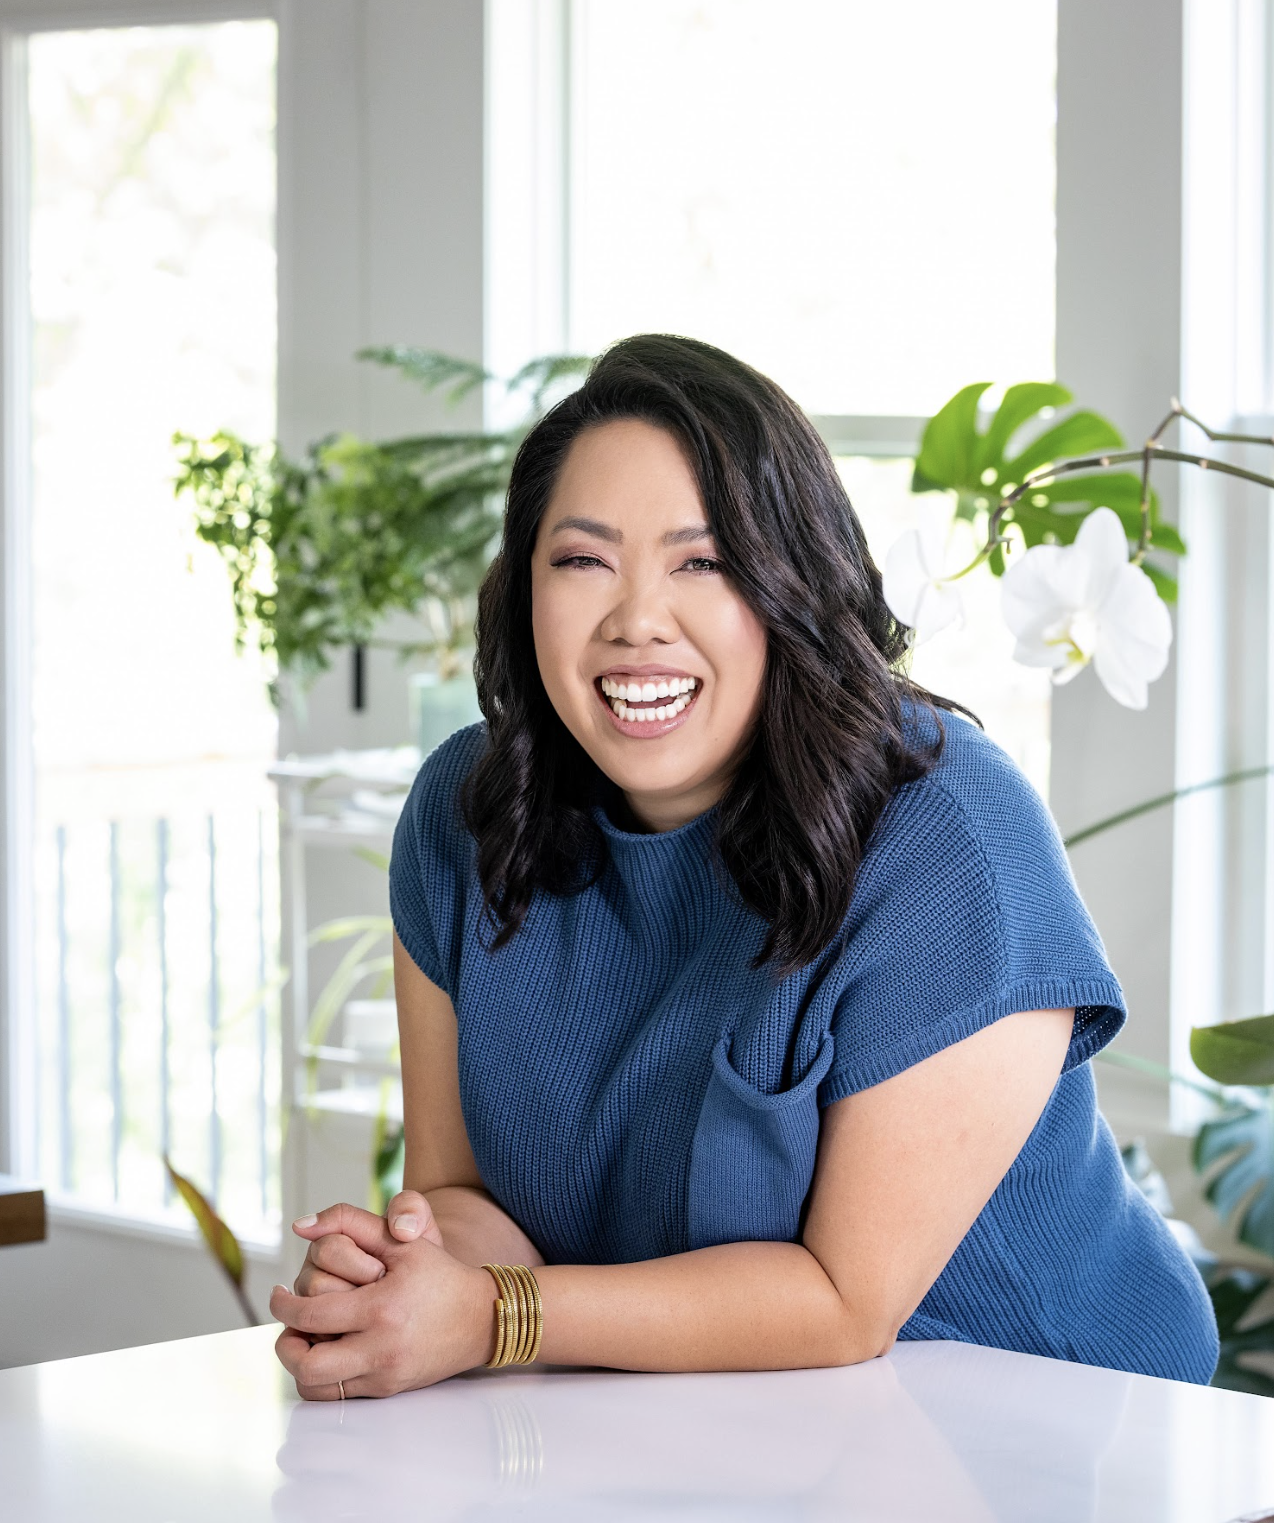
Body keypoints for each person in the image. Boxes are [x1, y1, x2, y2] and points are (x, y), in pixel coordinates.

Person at [271, 335, 1218, 1398]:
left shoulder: (948, 837)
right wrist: (405, 1266)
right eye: (582, 561)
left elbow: (841, 1301)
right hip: (701, 1428)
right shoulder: (466, 815)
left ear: (790, 582)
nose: (635, 622)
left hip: (1055, 1433)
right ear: (521, 585)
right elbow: (462, 1198)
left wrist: (497, 1316)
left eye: (702, 562)